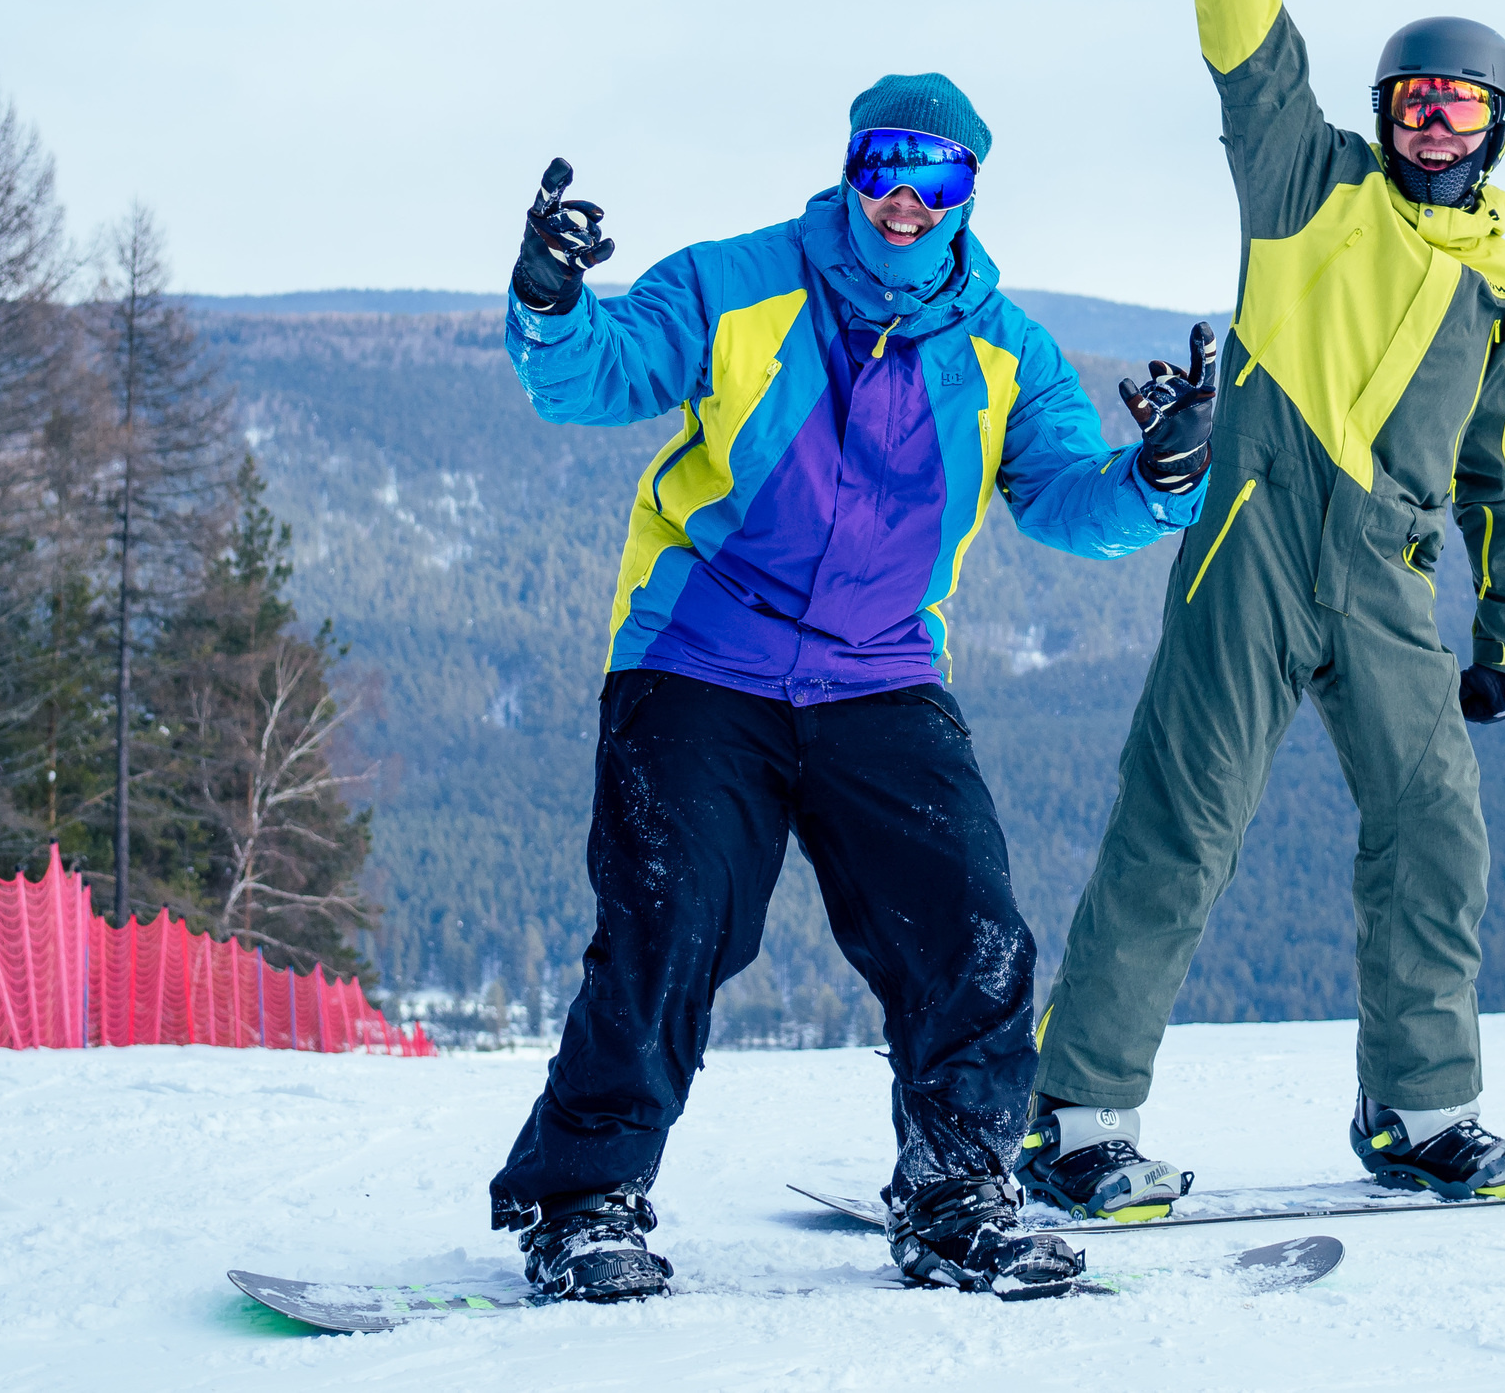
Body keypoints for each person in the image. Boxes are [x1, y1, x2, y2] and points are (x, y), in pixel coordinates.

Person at [487, 73, 1216, 1300]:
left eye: (933, 177)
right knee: (673, 919)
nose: (902, 198)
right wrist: (552, 303)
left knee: (973, 926)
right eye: (884, 165)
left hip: (879, 673)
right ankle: (585, 1201)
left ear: (969, 193)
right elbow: (593, 376)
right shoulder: (737, 281)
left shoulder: (1007, 350)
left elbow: (1065, 502)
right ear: (849, 167)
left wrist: (1159, 475)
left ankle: (955, 1192)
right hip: (700, 656)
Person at [1018, 0, 1505, 1222]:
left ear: (1500, 125)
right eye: (1410, 102)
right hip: (1249, 548)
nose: (1430, 125)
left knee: (1436, 831)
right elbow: (1249, 40)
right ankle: (1076, 1122)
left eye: (1458, 106)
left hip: (1386, 575)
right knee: (1179, 824)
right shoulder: (1303, 182)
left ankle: (1422, 1111)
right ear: (1379, 113)